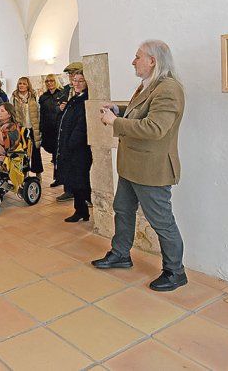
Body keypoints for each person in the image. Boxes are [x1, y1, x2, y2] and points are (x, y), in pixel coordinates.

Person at [92, 40, 188, 292]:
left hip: (151, 169)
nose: (133, 62)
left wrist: (115, 122)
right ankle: (121, 254)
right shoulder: (150, 86)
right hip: (132, 165)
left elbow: (155, 128)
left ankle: (175, 271)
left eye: (137, 57)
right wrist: (118, 109)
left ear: (152, 61)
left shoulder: (169, 89)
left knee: (162, 222)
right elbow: (140, 112)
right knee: (122, 209)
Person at [56, 71, 92, 222]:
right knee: (76, 180)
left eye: (80, 81)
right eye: (75, 80)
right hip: (70, 147)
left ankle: (82, 210)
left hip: (78, 149)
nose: (76, 83)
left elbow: (81, 126)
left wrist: (71, 144)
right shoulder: (74, 99)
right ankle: (81, 210)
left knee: (80, 180)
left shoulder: (85, 99)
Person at [11, 76, 44, 179]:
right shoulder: (14, 97)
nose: (22, 85)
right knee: (23, 152)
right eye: (20, 83)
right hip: (21, 129)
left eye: (24, 83)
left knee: (35, 151)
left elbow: (38, 111)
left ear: (28, 85)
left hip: (33, 128)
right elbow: (11, 112)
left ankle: (38, 174)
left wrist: (39, 125)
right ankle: (24, 174)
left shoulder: (34, 96)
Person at [39, 74, 67, 188]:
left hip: (58, 128)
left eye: (51, 81)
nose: (49, 83)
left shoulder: (62, 94)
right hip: (47, 129)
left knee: (58, 154)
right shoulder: (43, 97)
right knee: (51, 151)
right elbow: (42, 114)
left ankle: (59, 178)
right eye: (47, 81)